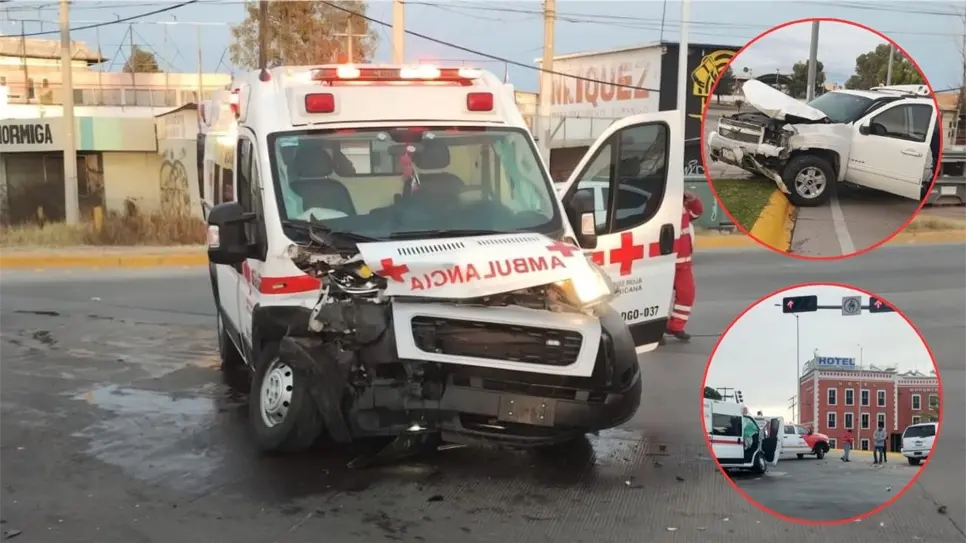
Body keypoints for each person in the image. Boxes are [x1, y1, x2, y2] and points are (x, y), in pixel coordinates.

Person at [664, 191, 703, 342]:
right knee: (659, 297)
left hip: (683, 263)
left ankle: (675, 326)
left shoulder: (683, 207)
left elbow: (697, 212)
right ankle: (654, 330)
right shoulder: (660, 205)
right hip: (665, 261)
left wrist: (693, 200)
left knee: (687, 295)